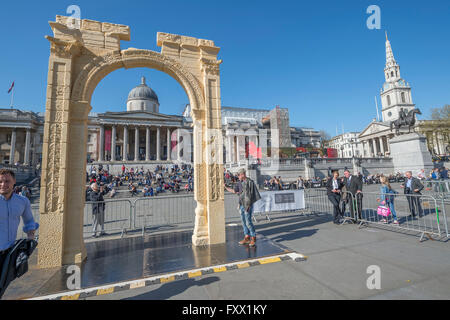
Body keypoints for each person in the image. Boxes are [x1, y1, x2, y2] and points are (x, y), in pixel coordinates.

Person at [0, 169, 39, 298]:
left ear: (14, 182)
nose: (3, 184)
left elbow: (29, 222)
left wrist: (30, 240)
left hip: (8, 253)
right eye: (0, 181)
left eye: (7, 181)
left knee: (2, 286)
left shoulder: (23, 201)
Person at [225, 168, 261, 247]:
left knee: (248, 222)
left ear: (243, 174)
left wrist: (248, 205)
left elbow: (251, 195)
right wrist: (226, 187)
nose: (238, 176)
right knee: (243, 222)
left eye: (238, 175)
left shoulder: (249, 182)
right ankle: (247, 237)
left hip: (247, 205)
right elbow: (235, 191)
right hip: (241, 204)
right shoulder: (239, 182)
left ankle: (253, 237)